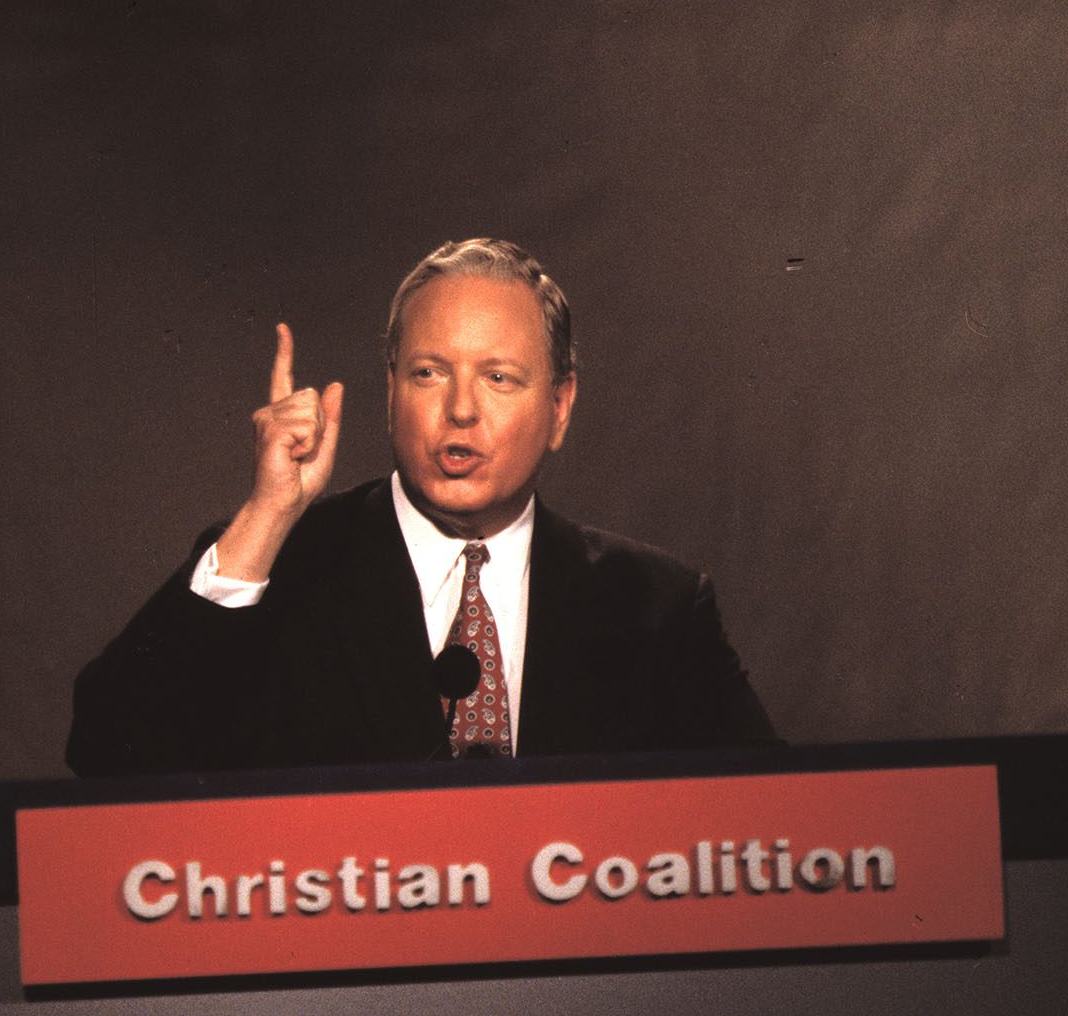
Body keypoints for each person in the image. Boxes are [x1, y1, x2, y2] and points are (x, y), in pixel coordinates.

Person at [66, 239, 775, 774]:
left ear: (560, 407)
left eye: (498, 378)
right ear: (390, 393)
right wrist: (268, 516)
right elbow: (106, 746)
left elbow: (777, 827)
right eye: (429, 373)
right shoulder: (282, 565)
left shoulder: (657, 609)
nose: (460, 411)